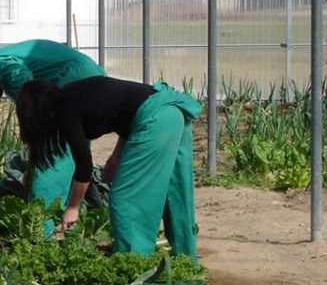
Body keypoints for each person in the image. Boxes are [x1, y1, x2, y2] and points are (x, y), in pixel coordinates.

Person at [15, 77, 200, 261]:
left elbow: (84, 166)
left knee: (126, 199)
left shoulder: (66, 111)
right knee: (175, 192)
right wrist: (116, 156)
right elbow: (125, 112)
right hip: (171, 111)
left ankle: (134, 267)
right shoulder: (74, 93)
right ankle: (186, 261)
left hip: (155, 119)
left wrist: (72, 207)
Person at [0, 40, 108, 217]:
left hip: (74, 79)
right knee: (73, 153)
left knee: (54, 156)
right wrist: (31, 165)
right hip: (90, 79)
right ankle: (64, 217)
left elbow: (27, 87)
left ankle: (42, 226)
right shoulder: (5, 61)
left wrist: (36, 165)